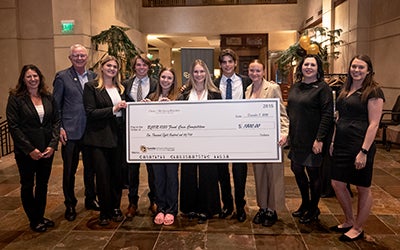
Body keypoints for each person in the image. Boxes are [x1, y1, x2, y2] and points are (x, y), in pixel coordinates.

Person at [329, 55, 384, 242]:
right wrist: (334, 141)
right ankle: (348, 220)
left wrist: (364, 152)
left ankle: (358, 227)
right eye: (354, 66)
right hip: (342, 143)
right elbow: (339, 118)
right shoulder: (346, 88)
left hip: (360, 145)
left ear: (368, 70)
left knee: (362, 187)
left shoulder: (373, 91)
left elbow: (374, 124)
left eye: (361, 67)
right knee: (337, 183)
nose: (356, 70)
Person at [6, 65, 60, 232]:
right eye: (29, 76)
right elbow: (14, 127)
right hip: (26, 152)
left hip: (46, 150)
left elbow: (56, 122)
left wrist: (52, 145)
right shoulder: (16, 98)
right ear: (23, 79)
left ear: (40, 77)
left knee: (43, 185)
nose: (32, 79)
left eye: (35, 76)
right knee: (28, 184)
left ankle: (41, 215)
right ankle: (33, 219)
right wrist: (30, 149)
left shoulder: (48, 96)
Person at [53, 44, 99, 222]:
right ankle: (70, 204)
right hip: (70, 132)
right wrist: (60, 129)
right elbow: (55, 106)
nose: (79, 58)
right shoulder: (62, 77)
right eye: (76, 56)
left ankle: (90, 198)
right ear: (70, 58)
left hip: (90, 132)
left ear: (86, 57)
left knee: (91, 169)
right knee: (69, 171)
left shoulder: (94, 77)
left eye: (82, 56)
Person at [287, 54, 333, 224]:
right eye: (306, 64)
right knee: (297, 170)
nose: (308, 67)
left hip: (313, 139)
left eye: (312, 65)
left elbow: (327, 115)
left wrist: (320, 139)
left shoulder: (323, 88)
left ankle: (314, 209)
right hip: (297, 138)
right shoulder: (296, 86)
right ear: (301, 67)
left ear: (318, 68)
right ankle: (305, 203)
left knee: (313, 174)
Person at [244, 59, 289, 227]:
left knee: (273, 175)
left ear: (263, 72)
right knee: (260, 175)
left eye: (258, 71)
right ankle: (262, 207)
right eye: (251, 70)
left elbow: (283, 114)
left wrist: (284, 133)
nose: (254, 73)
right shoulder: (247, 90)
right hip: (256, 141)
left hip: (273, 140)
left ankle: (272, 209)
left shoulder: (273, 88)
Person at [83, 55, 126, 226]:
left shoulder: (120, 88)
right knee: (102, 176)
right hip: (99, 138)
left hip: (118, 137)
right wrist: (113, 109)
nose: (112, 69)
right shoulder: (91, 87)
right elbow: (90, 113)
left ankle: (115, 207)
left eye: (115, 66)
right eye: (109, 65)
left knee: (117, 174)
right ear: (102, 67)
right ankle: (104, 211)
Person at [178, 59, 222, 224]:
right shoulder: (183, 95)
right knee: (188, 173)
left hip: (208, 141)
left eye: (202, 71)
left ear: (207, 73)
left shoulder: (215, 94)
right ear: (191, 74)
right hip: (188, 141)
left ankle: (207, 208)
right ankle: (189, 207)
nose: (199, 75)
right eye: (196, 72)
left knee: (208, 174)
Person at [214, 49, 252, 222]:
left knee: (239, 171)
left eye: (230, 61)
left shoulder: (246, 81)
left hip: (240, 134)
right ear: (220, 64)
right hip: (220, 133)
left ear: (235, 63)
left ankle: (240, 205)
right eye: (224, 62)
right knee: (222, 171)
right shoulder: (213, 84)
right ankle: (227, 204)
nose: (227, 65)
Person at [122, 54, 158, 219]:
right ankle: (132, 202)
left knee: (152, 170)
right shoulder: (125, 84)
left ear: (148, 67)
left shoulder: (155, 83)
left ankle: (154, 200)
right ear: (134, 67)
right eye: (138, 65)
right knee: (132, 170)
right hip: (132, 133)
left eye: (144, 65)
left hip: (150, 133)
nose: (141, 68)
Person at [145, 67, 181, 226]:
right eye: (163, 77)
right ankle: (160, 207)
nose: (166, 80)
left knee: (172, 177)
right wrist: (144, 107)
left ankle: (172, 209)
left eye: (169, 78)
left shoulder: (179, 97)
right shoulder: (152, 96)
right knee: (158, 177)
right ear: (159, 78)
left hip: (173, 145)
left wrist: (171, 106)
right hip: (155, 145)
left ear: (173, 81)